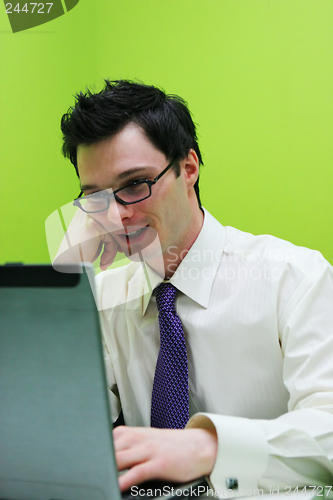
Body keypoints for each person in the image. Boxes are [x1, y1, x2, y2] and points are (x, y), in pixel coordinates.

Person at [56, 80, 333, 495]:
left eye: (134, 185)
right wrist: (56, 306)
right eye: (96, 197)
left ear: (188, 168)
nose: (115, 216)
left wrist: (209, 446)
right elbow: (68, 425)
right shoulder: (103, 297)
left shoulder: (295, 277)